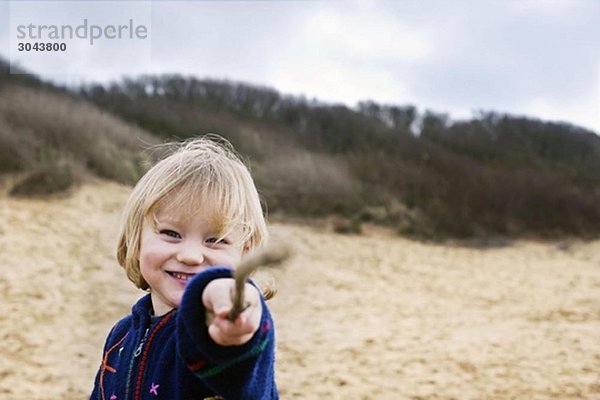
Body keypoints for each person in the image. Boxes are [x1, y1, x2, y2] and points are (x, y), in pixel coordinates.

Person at [90, 135, 278, 400]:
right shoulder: (121, 336)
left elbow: (241, 361)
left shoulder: (211, 333)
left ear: (245, 254)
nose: (191, 256)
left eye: (215, 240)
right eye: (171, 233)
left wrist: (236, 313)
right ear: (137, 239)